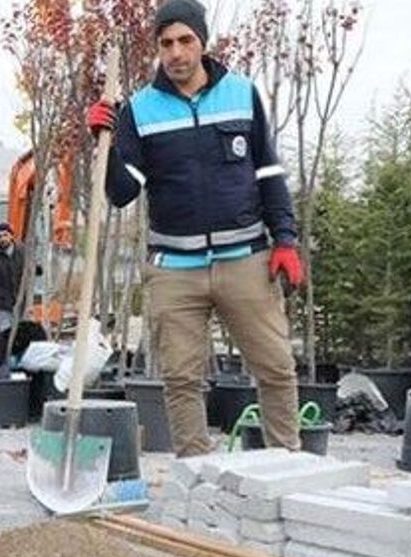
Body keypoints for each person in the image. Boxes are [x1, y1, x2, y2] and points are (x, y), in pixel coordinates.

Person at [86, 0, 304, 457]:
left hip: (245, 258)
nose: (176, 52)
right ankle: (194, 474)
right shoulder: (140, 110)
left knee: (276, 368)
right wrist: (102, 142)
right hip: (174, 269)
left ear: (202, 42)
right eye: (166, 43)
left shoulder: (242, 94)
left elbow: (268, 172)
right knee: (180, 379)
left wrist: (284, 239)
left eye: (185, 40)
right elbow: (124, 192)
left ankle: (289, 465)